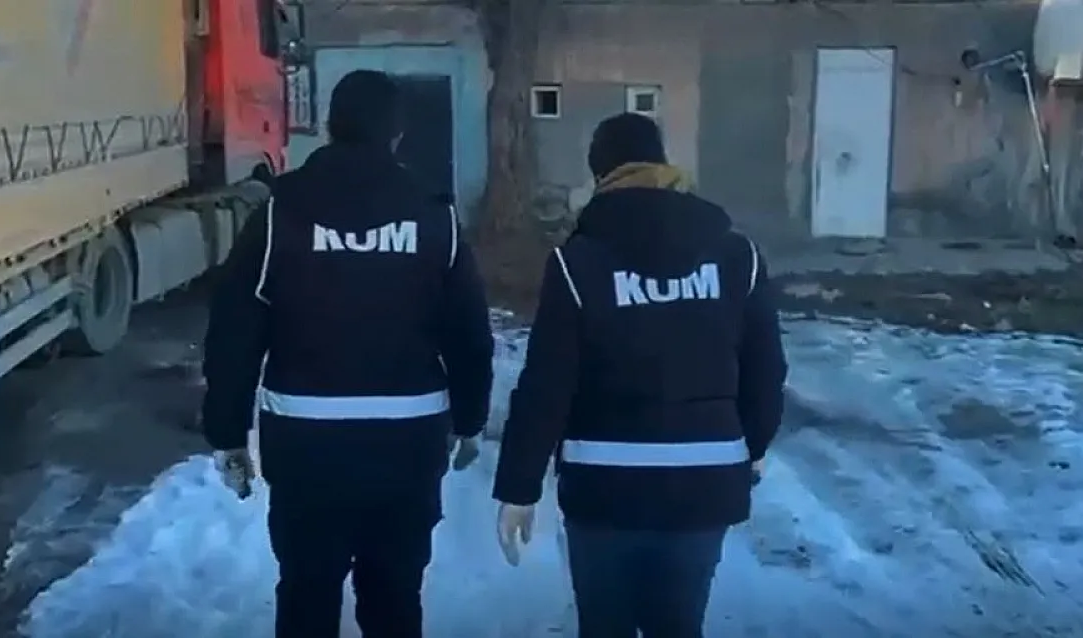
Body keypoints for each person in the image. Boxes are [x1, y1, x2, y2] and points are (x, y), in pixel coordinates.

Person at [200, 69, 494, 638]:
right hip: (407, 446)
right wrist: (470, 419)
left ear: (330, 127)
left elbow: (235, 329)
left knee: (306, 592)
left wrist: (228, 433)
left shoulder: (279, 212)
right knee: (395, 596)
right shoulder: (435, 216)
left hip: (306, 448)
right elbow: (468, 332)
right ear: (397, 135)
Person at [492, 113, 787, 638]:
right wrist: (754, 442)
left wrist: (520, 486)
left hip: (604, 488)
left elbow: (547, 385)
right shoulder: (736, 255)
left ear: (600, 175)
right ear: (663, 164)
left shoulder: (577, 262)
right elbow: (765, 368)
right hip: (703, 482)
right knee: (679, 625)